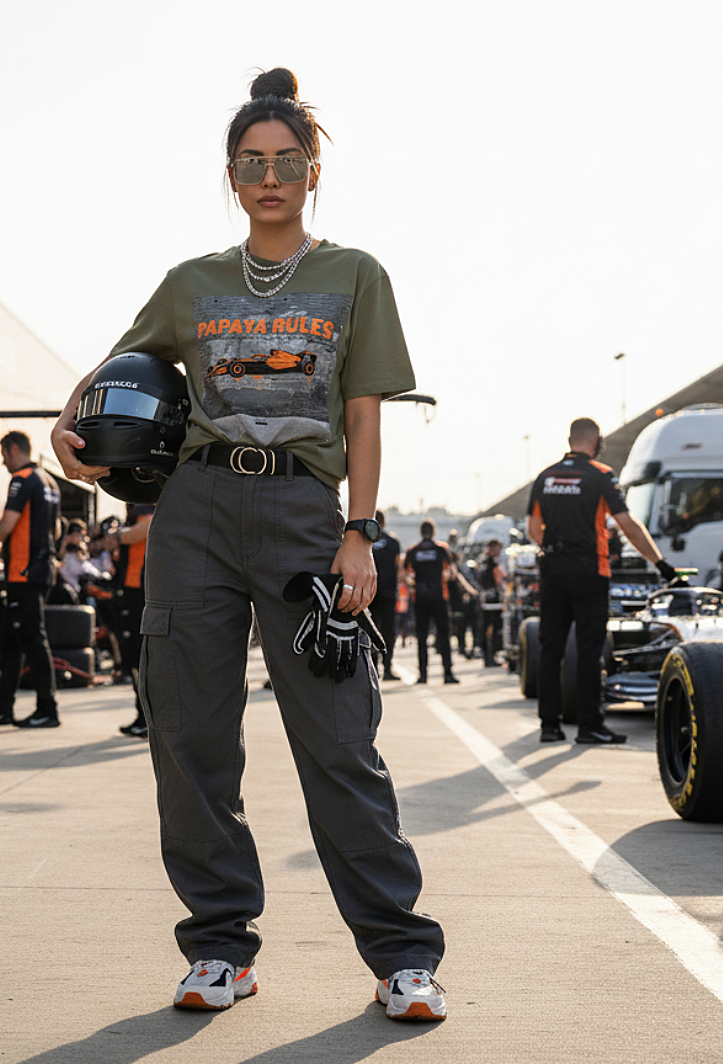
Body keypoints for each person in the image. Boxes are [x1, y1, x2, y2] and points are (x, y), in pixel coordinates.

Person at [51, 68, 445, 1022]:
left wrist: (360, 532)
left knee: (340, 738)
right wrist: (69, 426)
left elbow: (363, 414)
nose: (270, 177)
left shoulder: (355, 275)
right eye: (252, 162)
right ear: (230, 175)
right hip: (193, 511)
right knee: (189, 736)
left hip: (305, 513)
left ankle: (402, 957)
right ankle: (220, 948)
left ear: (313, 171)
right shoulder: (192, 283)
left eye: (287, 160)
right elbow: (116, 367)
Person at [527, 417, 681, 744]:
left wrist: (558, 552)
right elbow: (628, 525)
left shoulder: (545, 476)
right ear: (595, 439)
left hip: (552, 570)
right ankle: (589, 727)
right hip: (590, 570)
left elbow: (534, 530)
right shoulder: (600, 474)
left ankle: (549, 726)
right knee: (589, 649)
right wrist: (663, 566)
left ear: (570, 439)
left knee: (550, 649)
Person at [0, 431, 61, 728]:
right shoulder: (49, 481)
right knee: (9, 641)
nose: (3, 462)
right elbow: (55, 529)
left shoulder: (22, 479)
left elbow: (7, 523)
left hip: (23, 573)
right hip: (40, 570)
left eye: (3, 454)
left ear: (13, 449)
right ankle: (3, 707)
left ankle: (48, 709)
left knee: (32, 640)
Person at [91, 503, 154, 737]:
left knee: (142, 659)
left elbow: (146, 528)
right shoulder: (137, 507)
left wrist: (115, 537)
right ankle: (143, 716)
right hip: (132, 590)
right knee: (135, 660)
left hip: (140, 591)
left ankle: (148, 718)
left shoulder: (145, 503)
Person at [404, 521, 458, 684]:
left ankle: (422, 675)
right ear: (433, 532)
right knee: (444, 636)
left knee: (422, 638)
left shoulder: (413, 550)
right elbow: (452, 572)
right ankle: (448, 674)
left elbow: (406, 574)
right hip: (439, 597)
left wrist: (416, 583)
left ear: (421, 532)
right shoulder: (441, 548)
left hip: (420, 598)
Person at [370, 510, 402, 681]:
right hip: (388, 592)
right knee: (388, 631)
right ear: (383, 522)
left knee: (370, 630)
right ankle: (388, 668)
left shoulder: (364, 539)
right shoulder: (393, 542)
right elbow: (399, 569)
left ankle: (373, 668)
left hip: (369, 593)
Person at [476, 539, 506, 667]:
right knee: (492, 628)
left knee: (489, 628)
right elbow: (498, 580)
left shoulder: (483, 562)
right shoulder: (490, 564)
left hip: (489, 599)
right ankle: (489, 655)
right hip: (491, 601)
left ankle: (489, 655)